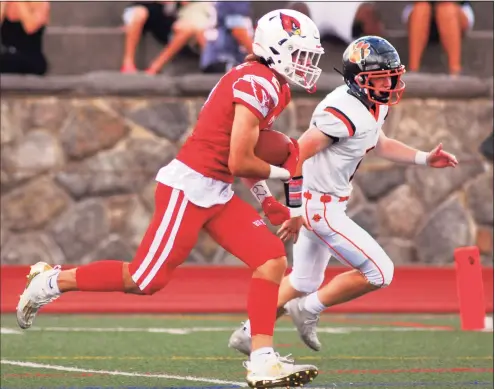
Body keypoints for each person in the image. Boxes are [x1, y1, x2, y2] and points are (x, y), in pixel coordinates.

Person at [16, 8, 325, 388]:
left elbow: (247, 152)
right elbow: (240, 158)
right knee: (145, 279)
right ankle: (51, 281)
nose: (305, 63)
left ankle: (262, 359)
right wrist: (285, 174)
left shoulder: (272, 85)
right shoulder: (256, 83)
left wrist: (265, 197)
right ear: (273, 49)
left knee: (270, 259)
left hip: (217, 190)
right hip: (191, 187)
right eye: (298, 53)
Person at [228, 35, 458, 356]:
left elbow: (379, 141)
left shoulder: (371, 105)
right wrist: (293, 209)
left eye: (392, 75)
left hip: (321, 202)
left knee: (304, 280)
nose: (390, 82)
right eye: (380, 77)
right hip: (320, 207)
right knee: (379, 272)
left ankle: (250, 332)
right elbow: (296, 154)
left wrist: (423, 158)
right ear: (359, 80)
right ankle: (308, 309)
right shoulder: (341, 112)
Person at [403, 1, 475, 76]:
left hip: (455, 11)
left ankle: (455, 71)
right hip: (419, 10)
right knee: (421, 9)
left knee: (446, 9)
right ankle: (413, 70)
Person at [200, 1, 254, 74]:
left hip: (216, 58)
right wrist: (257, 56)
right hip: (224, 59)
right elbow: (238, 31)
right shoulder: (231, 3)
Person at [0, 1, 50, 75]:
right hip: (7, 55)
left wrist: (20, 3)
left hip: (31, 57)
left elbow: (30, 28)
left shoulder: (40, 3)